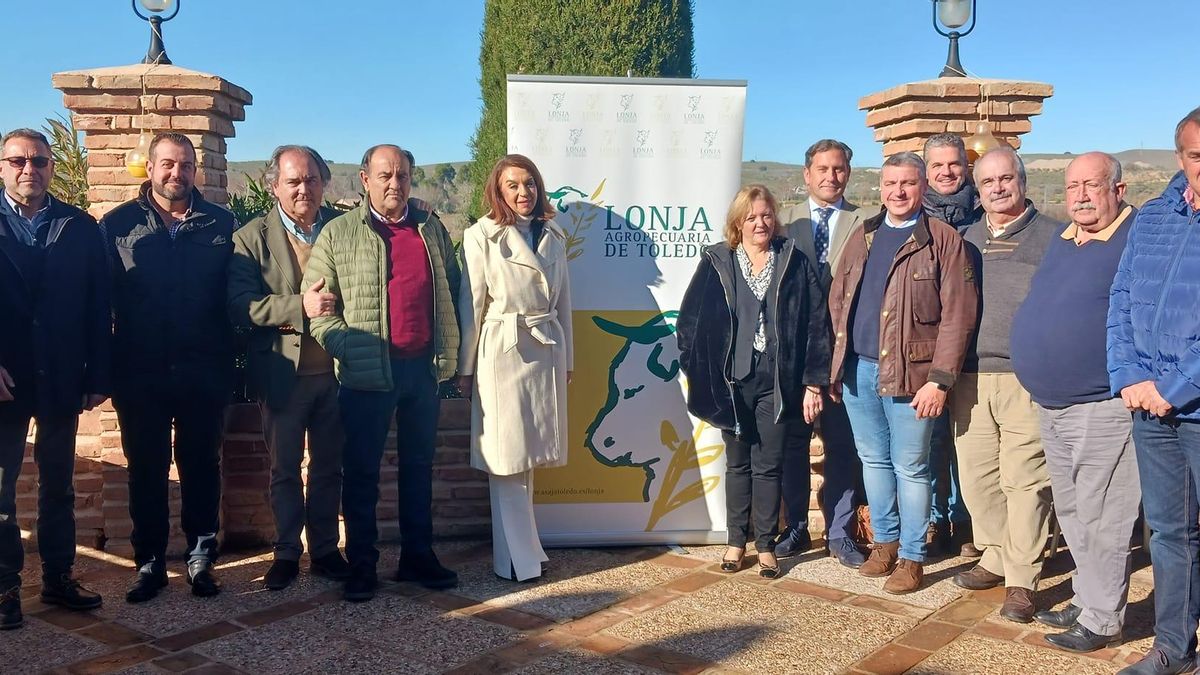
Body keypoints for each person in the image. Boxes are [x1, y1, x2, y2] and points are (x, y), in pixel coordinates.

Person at [303, 144, 461, 602]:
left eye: (404, 176)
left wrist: (450, 357)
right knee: (361, 473)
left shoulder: (431, 229)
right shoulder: (338, 234)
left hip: (422, 371)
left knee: (417, 468)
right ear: (364, 179)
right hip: (366, 373)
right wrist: (348, 349)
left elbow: (451, 287)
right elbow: (319, 310)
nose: (396, 184)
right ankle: (364, 565)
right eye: (386, 175)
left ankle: (417, 556)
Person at [828, 152, 976, 595]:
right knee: (872, 460)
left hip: (915, 376)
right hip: (859, 370)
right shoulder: (865, 234)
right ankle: (885, 544)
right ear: (880, 187)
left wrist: (941, 378)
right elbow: (839, 301)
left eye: (907, 183)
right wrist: (835, 366)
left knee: (911, 467)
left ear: (922, 187)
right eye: (890, 183)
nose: (898, 191)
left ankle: (913, 557)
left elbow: (959, 315)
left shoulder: (943, 239)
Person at [1010, 152, 1138, 653]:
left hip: (1101, 403)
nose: (1081, 196)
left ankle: (1104, 619)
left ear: (1119, 190)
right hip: (1052, 403)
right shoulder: (1065, 240)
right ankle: (1089, 599)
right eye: (1072, 186)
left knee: (1104, 514)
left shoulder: (1134, 239)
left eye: (1093, 185)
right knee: (1073, 510)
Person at [102, 132, 237, 602]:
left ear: (195, 170)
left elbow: (233, 298)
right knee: (146, 468)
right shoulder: (115, 226)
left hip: (205, 369)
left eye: (184, 166)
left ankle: (201, 559)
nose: (175, 174)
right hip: (139, 372)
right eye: (166, 164)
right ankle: (150, 563)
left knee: (202, 465)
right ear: (150, 167)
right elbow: (100, 303)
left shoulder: (221, 224)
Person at [677, 184, 830, 580]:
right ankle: (735, 541)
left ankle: (765, 545)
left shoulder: (793, 261)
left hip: (779, 381)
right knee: (737, 463)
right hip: (733, 381)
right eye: (751, 217)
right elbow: (690, 320)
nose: (760, 223)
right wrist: (694, 366)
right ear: (737, 223)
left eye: (765, 215)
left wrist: (814, 382)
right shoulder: (718, 261)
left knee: (769, 464)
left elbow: (816, 324)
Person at [0, 128, 111, 629]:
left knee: (58, 485)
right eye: (18, 161)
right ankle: (4, 588)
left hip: (62, 373)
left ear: (52, 166)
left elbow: (97, 306)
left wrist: (97, 371)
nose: (30, 170)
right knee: (0, 488)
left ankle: (59, 577)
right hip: (4, 376)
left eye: (39, 161)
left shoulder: (78, 227)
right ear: (2, 166)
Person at [227, 145, 349, 591]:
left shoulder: (342, 227)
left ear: (324, 183)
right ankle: (284, 553)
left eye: (311, 180)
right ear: (274, 185)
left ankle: (324, 551)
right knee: (284, 469)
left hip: (337, 374)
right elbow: (240, 306)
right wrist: (300, 305)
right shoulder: (250, 238)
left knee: (329, 469)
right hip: (283, 375)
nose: (303, 189)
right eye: (293, 181)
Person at [950, 148, 1059, 624]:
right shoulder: (964, 238)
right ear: (978, 189)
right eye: (988, 181)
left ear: (1023, 181)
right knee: (978, 479)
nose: (998, 188)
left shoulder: (1054, 237)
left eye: (1006, 178)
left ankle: (1022, 578)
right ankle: (996, 553)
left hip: (1024, 377)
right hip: (969, 376)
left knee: (1025, 480)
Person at [1110, 107, 1200, 675]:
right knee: (1170, 532)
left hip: (1189, 402)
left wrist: (1173, 386)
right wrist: (1129, 377)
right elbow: (1121, 301)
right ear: (1180, 157)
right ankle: (1173, 649)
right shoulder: (1154, 216)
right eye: (1197, 156)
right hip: (1150, 406)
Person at [457, 154, 572, 582]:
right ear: (498, 191)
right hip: (503, 351)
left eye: (529, 184)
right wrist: (465, 369)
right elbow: (472, 305)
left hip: (545, 350)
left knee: (528, 459)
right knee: (506, 457)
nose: (523, 193)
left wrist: (569, 360)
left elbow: (565, 305)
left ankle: (522, 553)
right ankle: (518, 560)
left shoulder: (554, 236)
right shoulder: (480, 236)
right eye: (513, 186)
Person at [776, 139, 866, 567]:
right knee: (793, 446)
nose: (832, 177)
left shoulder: (867, 222)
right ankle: (794, 527)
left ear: (848, 173)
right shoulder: (780, 223)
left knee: (843, 447)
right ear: (806, 174)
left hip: (845, 359)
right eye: (823, 169)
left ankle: (840, 532)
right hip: (792, 360)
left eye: (839, 169)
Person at [921, 133, 981, 558]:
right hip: (926, 353)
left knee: (970, 441)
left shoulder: (983, 216)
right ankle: (933, 520)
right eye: (938, 165)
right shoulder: (911, 219)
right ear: (926, 172)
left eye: (954, 164)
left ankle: (967, 522)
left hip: (978, 352)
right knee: (930, 441)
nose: (946, 172)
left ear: (967, 167)